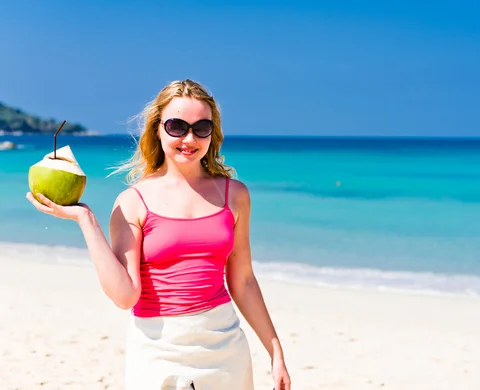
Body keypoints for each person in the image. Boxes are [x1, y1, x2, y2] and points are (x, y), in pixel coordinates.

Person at [26, 79, 291, 390]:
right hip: (157, 348)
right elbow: (125, 296)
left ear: (213, 133)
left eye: (201, 127)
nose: (189, 138)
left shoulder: (235, 195)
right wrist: (86, 220)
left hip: (224, 346)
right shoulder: (132, 202)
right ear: (158, 129)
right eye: (177, 126)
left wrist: (276, 353)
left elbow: (243, 280)